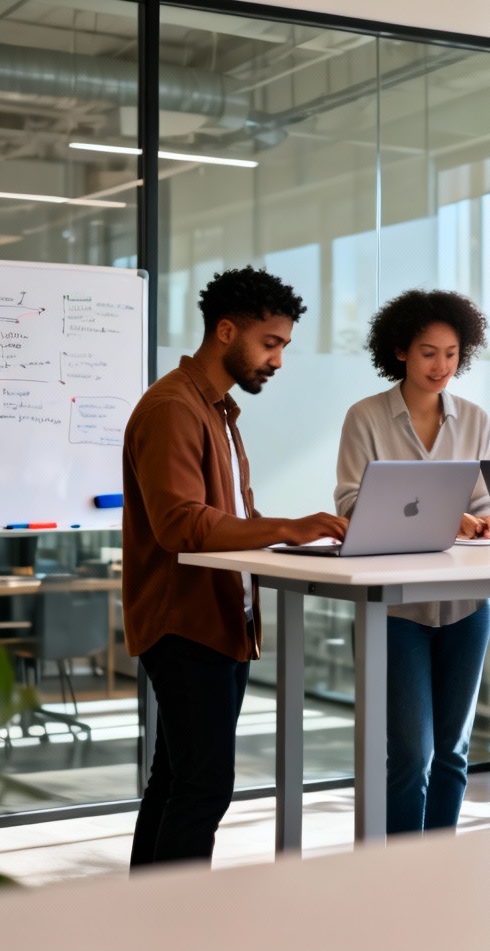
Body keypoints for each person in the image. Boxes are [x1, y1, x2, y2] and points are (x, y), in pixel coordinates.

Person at [123, 265, 348, 867]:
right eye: (270, 343)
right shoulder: (173, 407)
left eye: (283, 346)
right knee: (203, 788)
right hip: (185, 622)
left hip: (222, 619)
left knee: (175, 782)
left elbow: (232, 515)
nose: (277, 360)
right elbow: (181, 524)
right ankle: (179, 928)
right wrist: (286, 527)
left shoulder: (217, 410)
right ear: (226, 331)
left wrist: (298, 537)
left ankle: (146, 920)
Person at [335, 288, 490, 834]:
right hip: (395, 608)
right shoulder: (367, 417)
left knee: (452, 751)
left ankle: (439, 871)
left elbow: (487, 504)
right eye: (429, 352)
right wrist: (445, 515)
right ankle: (396, 880)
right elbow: (352, 504)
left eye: (452, 354)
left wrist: (484, 521)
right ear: (401, 351)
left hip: (465, 604)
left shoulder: (475, 419)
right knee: (410, 755)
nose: (441, 366)